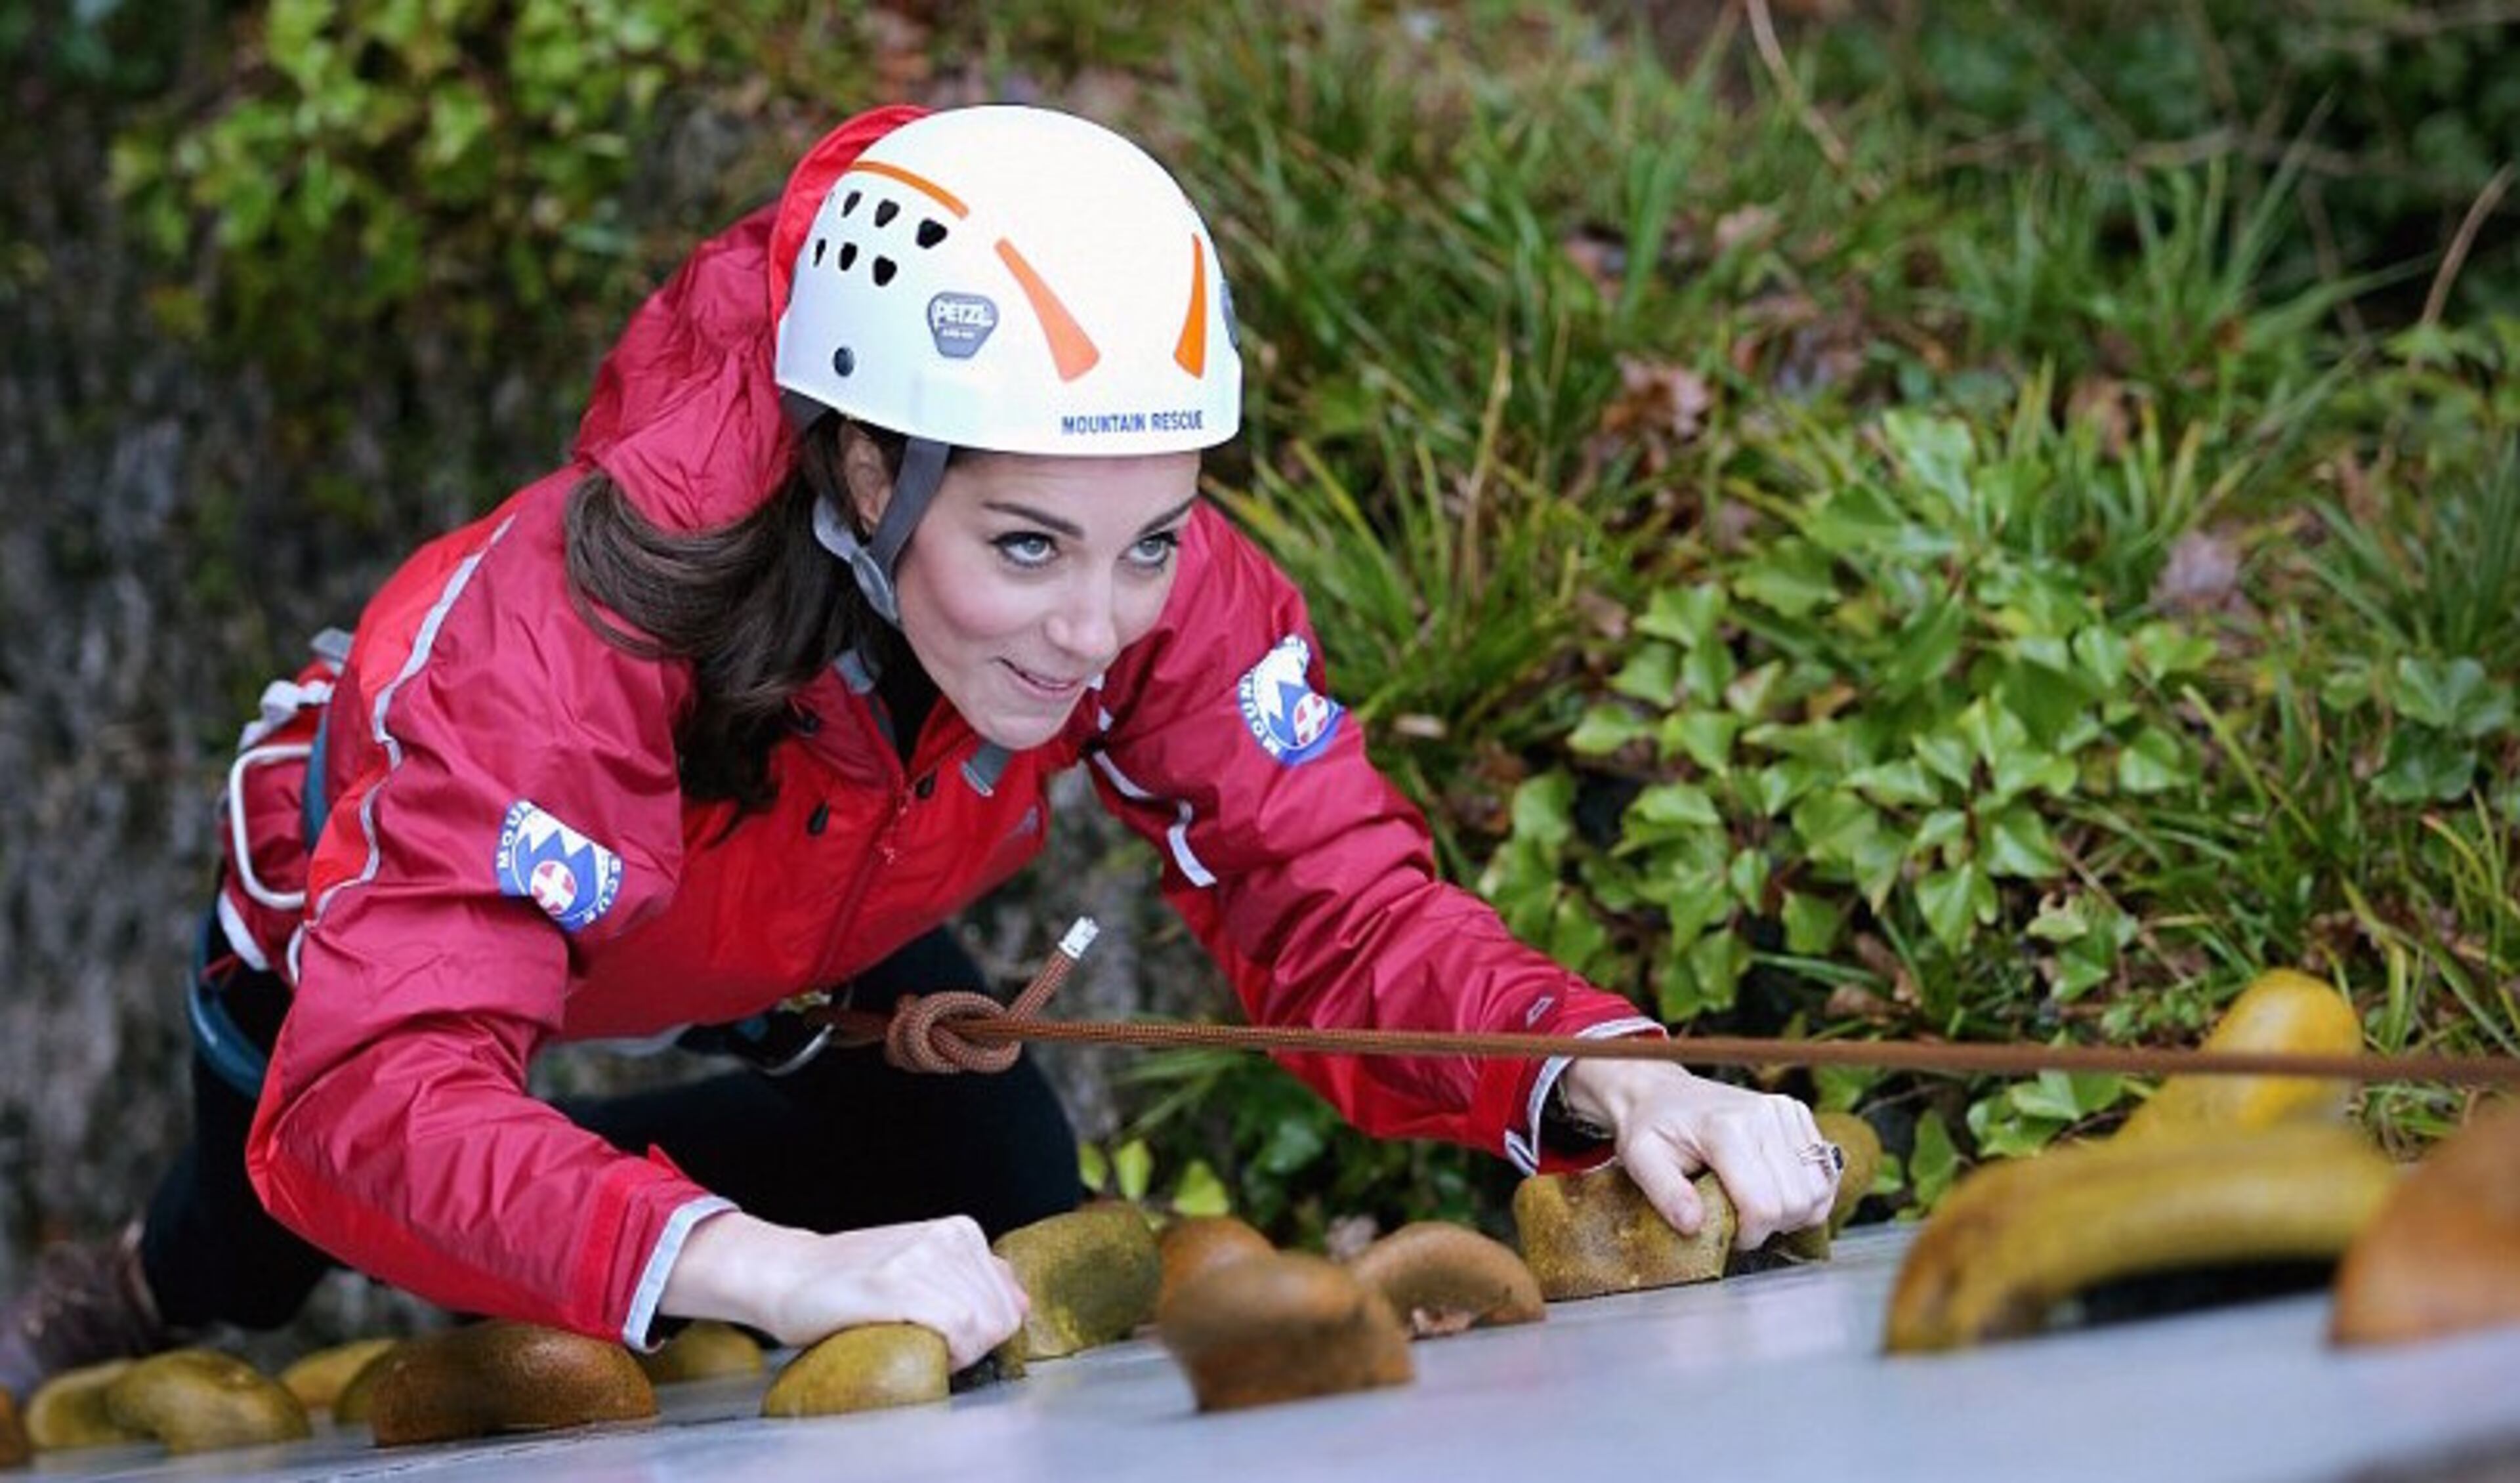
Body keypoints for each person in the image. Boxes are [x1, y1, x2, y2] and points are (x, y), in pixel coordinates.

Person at [0, 102, 1838, 1396]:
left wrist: (1610, 1071)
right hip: (410, 889)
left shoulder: (1144, 585)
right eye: (1026, 544)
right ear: (867, 470)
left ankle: (592, 1187)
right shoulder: (560, 651)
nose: (1100, 623)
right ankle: (137, 1284)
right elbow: (366, 1100)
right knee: (263, 1222)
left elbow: (1335, 904)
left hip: (819, 902)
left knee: (1001, 1199)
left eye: (1151, 537)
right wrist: (759, 1263)